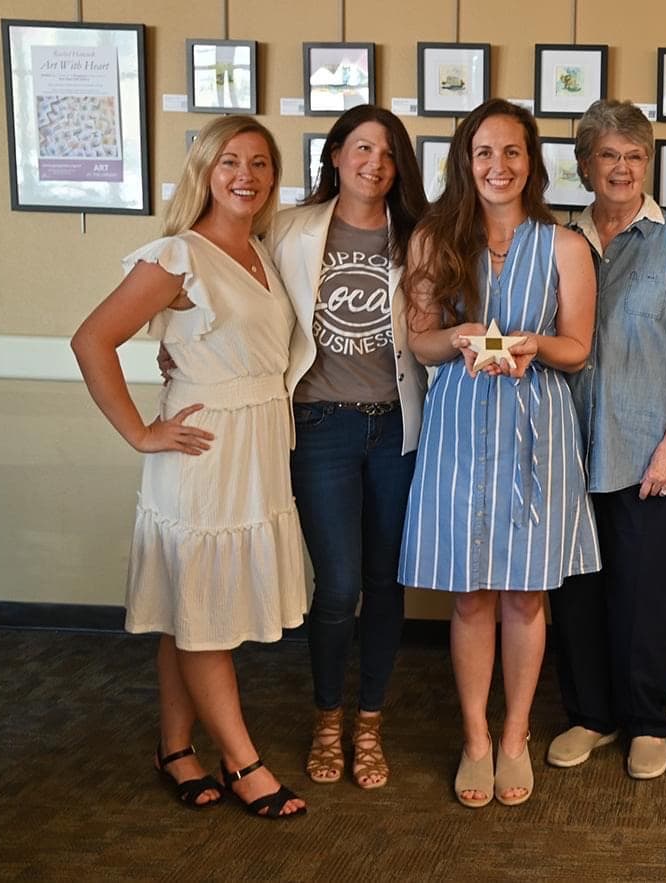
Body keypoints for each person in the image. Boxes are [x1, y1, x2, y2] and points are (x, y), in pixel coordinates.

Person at [71, 116, 311, 818]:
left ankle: (176, 746)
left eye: (261, 162)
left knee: (190, 605)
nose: (247, 175)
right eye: (230, 161)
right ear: (205, 171)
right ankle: (244, 760)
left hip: (258, 445)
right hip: (204, 452)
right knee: (204, 608)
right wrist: (141, 432)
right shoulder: (178, 254)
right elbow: (91, 340)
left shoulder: (264, 250)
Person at [398, 99, 599, 808]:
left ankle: (514, 735)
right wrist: (456, 338)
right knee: (470, 592)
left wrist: (533, 345)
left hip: (534, 426)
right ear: (465, 159)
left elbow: (576, 350)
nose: (498, 166)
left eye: (512, 152)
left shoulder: (566, 245)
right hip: (458, 426)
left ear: (531, 162)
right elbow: (418, 340)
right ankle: (475, 738)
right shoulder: (434, 239)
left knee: (525, 592)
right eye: (484, 152)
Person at [546, 99, 666, 780]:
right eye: (607, 155)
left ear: (647, 163)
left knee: (649, 593)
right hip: (567, 450)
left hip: (654, 452)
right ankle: (590, 713)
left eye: (634, 155)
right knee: (579, 591)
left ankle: (647, 719)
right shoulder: (558, 242)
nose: (621, 168)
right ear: (585, 164)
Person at [269, 105, 426, 790]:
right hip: (321, 426)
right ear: (335, 154)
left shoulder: (415, 236)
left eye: (389, 155)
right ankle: (327, 716)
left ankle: (370, 722)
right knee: (337, 585)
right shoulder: (289, 230)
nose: (375, 164)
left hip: (396, 426)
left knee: (386, 582)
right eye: (362, 148)